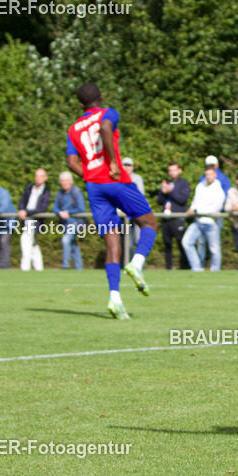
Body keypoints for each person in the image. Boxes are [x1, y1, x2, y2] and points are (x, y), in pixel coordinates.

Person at [66, 83, 158, 320]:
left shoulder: (73, 128)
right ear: (101, 97)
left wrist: (89, 176)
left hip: (94, 188)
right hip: (114, 180)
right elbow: (106, 126)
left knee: (112, 243)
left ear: (80, 104)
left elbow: (70, 162)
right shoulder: (109, 113)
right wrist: (114, 164)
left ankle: (115, 298)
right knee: (149, 224)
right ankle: (136, 264)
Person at [182, 165, 226, 272]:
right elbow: (196, 202)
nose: (209, 177)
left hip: (211, 222)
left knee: (214, 248)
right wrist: (192, 209)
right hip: (198, 221)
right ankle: (196, 267)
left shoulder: (218, 189)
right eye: (207, 174)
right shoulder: (200, 186)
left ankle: (215, 269)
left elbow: (217, 207)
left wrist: (202, 211)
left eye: (211, 174)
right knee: (186, 242)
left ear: (215, 175)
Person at [157, 162, 190, 269]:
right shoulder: (166, 183)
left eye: (174, 170)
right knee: (167, 245)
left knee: (181, 244)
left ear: (179, 170)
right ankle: (168, 267)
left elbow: (182, 200)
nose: (172, 173)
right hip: (166, 219)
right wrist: (163, 191)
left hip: (177, 218)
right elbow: (159, 201)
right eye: (170, 170)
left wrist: (170, 192)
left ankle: (184, 267)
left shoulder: (183, 184)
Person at [17, 168, 50, 271]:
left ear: (45, 178)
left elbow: (42, 209)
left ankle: (25, 268)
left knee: (25, 240)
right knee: (33, 244)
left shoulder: (46, 192)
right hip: (26, 219)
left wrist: (27, 212)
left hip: (35, 221)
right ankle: (39, 268)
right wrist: (22, 210)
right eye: (36, 176)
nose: (38, 178)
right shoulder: (29, 187)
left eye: (41, 176)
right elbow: (22, 200)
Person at [53, 171, 86, 270]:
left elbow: (81, 209)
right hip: (65, 223)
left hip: (76, 222)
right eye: (62, 181)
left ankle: (65, 266)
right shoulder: (59, 193)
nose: (64, 183)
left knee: (66, 240)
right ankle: (79, 268)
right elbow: (54, 208)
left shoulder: (76, 192)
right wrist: (60, 212)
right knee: (73, 244)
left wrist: (68, 212)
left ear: (71, 181)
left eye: (66, 180)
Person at [122, 157, 145, 250]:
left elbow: (140, 197)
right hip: (123, 216)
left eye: (129, 165)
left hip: (136, 214)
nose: (127, 167)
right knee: (127, 245)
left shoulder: (137, 179)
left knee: (138, 241)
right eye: (125, 165)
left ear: (132, 167)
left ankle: (139, 264)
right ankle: (127, 263)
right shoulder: (117, 179)